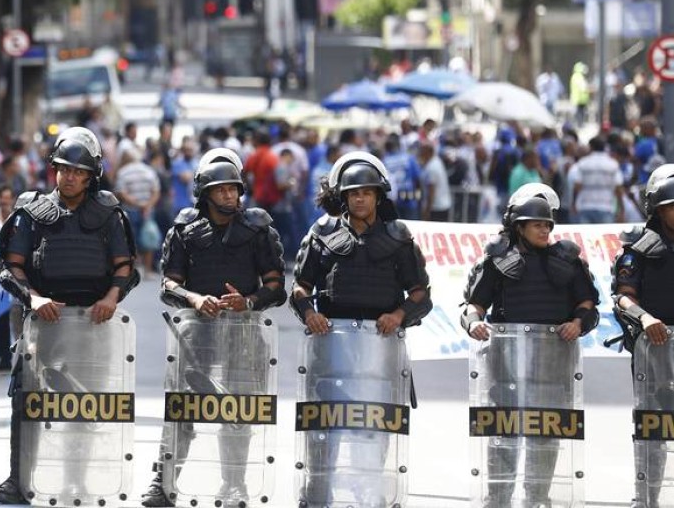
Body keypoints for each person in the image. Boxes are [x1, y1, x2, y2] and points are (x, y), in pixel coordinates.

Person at [0, 127, 139, 505]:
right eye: (63, 169)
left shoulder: (107, 212)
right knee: (28, 400)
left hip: (94, 326)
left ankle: (78, 481)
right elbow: (10, 267)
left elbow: (126, 266)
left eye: (78, 172)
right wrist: (34, 297)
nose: (69, 177)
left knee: (84, 406)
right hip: (44, 324)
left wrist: (111, 297)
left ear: (91, 176)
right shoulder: (32, 212)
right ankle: (18, 477)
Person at [289, 152, 432, 507]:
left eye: (367, 192)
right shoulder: (321, 233)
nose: (360, 198)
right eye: (353, 193)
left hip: (379, 351)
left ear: (378, 196)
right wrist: (308, 313)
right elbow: (300, 287)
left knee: (375, 433)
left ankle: (371, 497)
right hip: (331, 348)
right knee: (325, 430)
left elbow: (421, 294)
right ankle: (317, 495)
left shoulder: (398, 237)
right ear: (344, 197)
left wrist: (399, 314)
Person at [141, 160, 286, 507]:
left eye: (234, 188)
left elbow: (276, 286)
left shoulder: (258, 229)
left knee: (239, 411)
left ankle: (234, 484)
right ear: (205, 195)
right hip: (196, 332)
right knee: (182, 407)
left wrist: (248, 302)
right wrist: (194, 298)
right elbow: (168, 284)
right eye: (221, 189)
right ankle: (163, 483)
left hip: (244, 333)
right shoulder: (185, 229)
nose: (229, 194)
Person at [460, 183, 599, 508]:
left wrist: (577, 323)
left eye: (548, 224)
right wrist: (475, 323)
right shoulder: (498, 260)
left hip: (552, 368)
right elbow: (472, 306)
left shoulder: (567, 260)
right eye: (537, 224)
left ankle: (537, 499)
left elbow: (588, 305)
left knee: (546, 438)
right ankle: (498, 498)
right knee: (503, 436)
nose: (544, 229)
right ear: (519, 226)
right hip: (505, 367)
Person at [613, 165, 674, 508]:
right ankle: (648, 497)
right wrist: (646, 317)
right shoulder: (639, 247)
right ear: (657, 208)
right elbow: (623, 295)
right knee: (655, 427)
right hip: (657, 350)